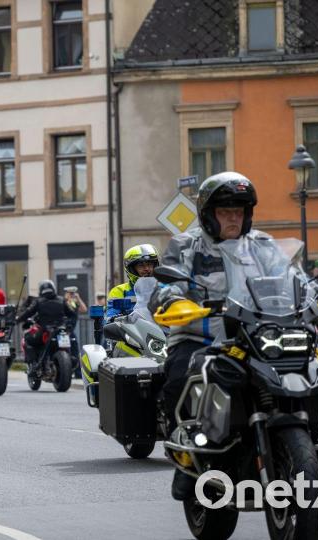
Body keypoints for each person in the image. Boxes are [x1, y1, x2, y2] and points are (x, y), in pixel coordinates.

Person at [148, 171, 268, 501]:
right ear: (208, 214)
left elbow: (292, 278)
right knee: (178, 378)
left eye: (239, 211)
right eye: (226, 211)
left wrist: (315, 298)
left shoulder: (261, 246)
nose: (234, 218)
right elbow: (165, 285)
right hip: (199, 338)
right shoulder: (186, 245)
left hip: (250, 338)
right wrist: (172, 298)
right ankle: (186, 455)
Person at [16, 280, 74, 373]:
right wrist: (69, 325)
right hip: (61, 330)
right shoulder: (62, 300)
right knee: (72, 342)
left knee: (28, 339)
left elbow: (28, 313)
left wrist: (17, 320)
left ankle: (33, 365)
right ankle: (72, 363)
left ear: (41, 290)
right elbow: (72, 314)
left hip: (46, 331)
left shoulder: (38, 301)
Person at [106, 244, 160, 321]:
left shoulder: (163, 288)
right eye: (141, 265)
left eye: (149, 264)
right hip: (132, 332)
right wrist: (114, 319)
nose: (147, 269)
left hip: (162, 331)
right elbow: (110, 317)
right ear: (131, 269)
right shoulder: (119, 291)